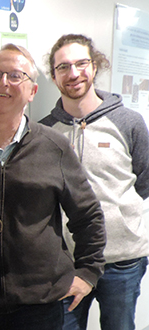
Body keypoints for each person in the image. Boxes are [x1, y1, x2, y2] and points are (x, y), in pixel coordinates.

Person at [0, 44, 106, 330]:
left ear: (32, 92)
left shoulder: (54, 147)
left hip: (39, 307)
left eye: (15, 76)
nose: (3, 82)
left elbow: (87, 216)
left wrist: (87, 273)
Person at [40, 34, 149, 330]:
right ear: (53, 75)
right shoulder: (45, 131)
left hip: (122, 259)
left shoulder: (129, 122)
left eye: (81, 63)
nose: (73, 74)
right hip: (68, 262)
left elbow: (144, 180)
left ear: (95, 65)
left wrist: (117, 214)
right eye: (63, 67)